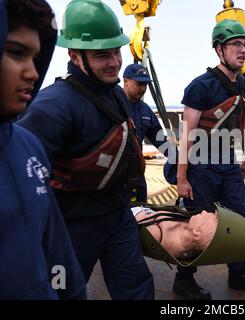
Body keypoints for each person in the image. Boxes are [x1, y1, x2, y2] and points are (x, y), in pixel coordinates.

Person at [17, 0, 154, 300]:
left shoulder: (117, 94)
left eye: (116, 51)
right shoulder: (53, 107)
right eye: (101, 55)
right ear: (75, 56)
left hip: (118, 215)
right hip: (72, 226)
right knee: (63, 292)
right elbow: (23, 178)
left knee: (137, 288)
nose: (114, 62)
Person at [174, 19, 245, 299]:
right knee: (198, 224)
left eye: (244, 44)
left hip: (228, 163)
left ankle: (238, 274)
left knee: (240, 218)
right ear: (219, 49)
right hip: (201, 165)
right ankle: (184, 279)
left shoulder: (243, 85)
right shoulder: (200, 86)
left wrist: (242, 158)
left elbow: (242, 121)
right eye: (236, 44)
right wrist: (182, 177)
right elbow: (187, 135)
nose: (242, 50)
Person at [0, 0, 86, 299]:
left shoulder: (28, 146)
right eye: (16, 53)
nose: (33, 72)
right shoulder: (55, 107)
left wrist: (72, 291)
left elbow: (56, 252)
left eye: (36, 58)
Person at [123, 63, 166, 202]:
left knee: (142, 212)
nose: (143, 88)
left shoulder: (145, 110)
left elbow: (160, 140)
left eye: (145, 84)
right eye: (139, 84)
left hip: (136, 173)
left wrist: (180, 160)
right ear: (125, 81)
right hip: (115, 174)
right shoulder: (111, 103)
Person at [133, 207, 218, 259]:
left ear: (196, 231)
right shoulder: (191, 249)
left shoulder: (158, 234)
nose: (203, 211)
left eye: (203, 216)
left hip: (133, 215)